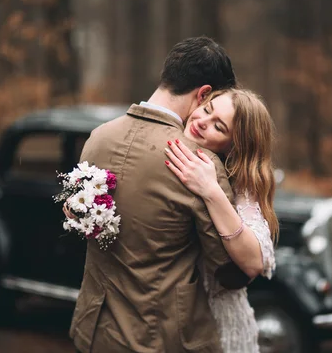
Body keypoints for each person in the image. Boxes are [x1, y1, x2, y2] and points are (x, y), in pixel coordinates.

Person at [64, 36, 250, 353]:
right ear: (204, 93)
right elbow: (228, 271)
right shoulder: (198, 164)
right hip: (160, 338)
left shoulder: (97, 138)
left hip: (94, 331)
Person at [164, 89, 279, 352]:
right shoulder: (166, 139)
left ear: (233, 147)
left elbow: (253, 263)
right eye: (206, 109)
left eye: (218, 126)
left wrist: (211, 190)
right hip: (170, 322)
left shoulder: (239, 186)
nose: (202, 122)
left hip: (221, 326)